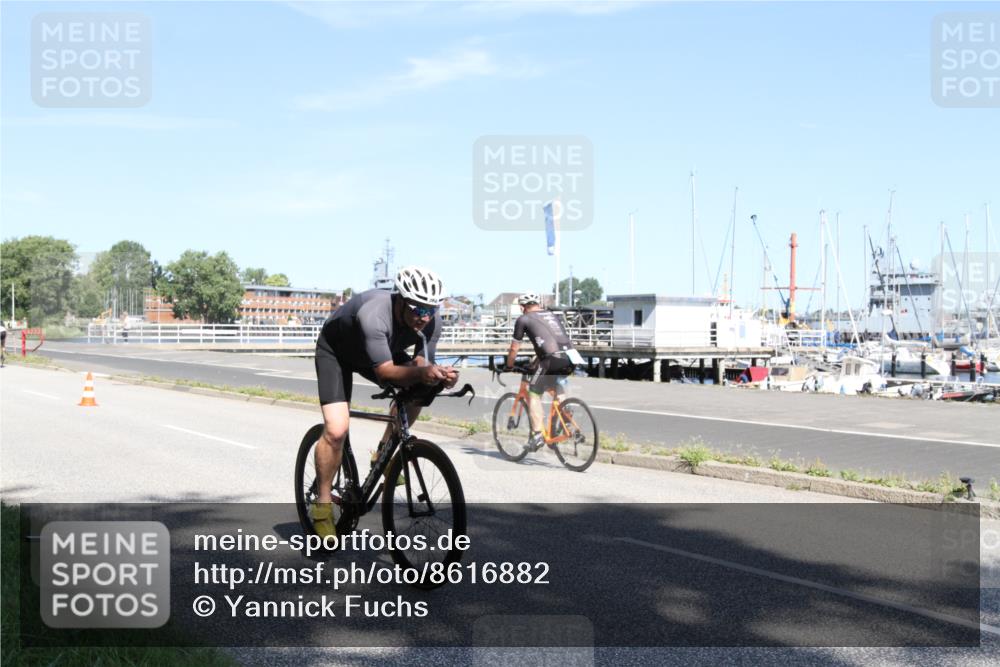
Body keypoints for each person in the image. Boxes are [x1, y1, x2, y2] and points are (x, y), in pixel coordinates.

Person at [311, 266, 458, 538]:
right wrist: (422, 372)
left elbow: (421, 363)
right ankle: (321, 506)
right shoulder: (374, 314)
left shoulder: (432, 319)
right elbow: (384, 372)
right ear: (400, 300)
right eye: (417, 308)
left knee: (424, 384)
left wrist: (439, 376)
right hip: (336, 353)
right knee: (336, 430)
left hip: (378, 352)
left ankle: (383, 453)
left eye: (430, 309)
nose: (424, 317)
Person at [503, 293, 581, 451]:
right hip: (571, 357)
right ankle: (566, 414)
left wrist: (509, 365)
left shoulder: (523, 319)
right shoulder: (550, 315)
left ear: (522, 307)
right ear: (538, 304)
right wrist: (536, 361)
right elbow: (551, 341)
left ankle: (538, 434)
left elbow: (513, 348)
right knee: (555, 383)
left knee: (533, 392)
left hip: (551, 359)